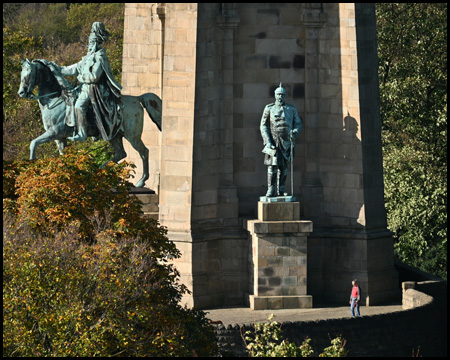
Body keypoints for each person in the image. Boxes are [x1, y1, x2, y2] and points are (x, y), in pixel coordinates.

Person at [54, 22, 123, 142]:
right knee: (69, 100)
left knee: (79, 106)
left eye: (91, 43)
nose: (89, 45)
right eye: (89, 42)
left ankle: (82, 133)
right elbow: (73, 69)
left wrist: (81, 78)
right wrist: (57, 69)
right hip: (84, 88)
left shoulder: (100, 57)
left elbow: (95, 76)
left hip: (95, 89)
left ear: (96, 43)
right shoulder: (87, 58)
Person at [260, 83, 303, 197]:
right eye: (278, 94)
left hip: (286, 142)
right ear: (275, 95)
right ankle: (271, 189)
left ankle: (281, 189)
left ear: (285, 96)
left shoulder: (291, 109)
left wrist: (295, 132)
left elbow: (298, 124)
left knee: (283, 168)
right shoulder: (269, 108)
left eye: (282, 95)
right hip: (273, 141)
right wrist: (268, 141)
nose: (280, 97)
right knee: (272, 167)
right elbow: (263, 126)